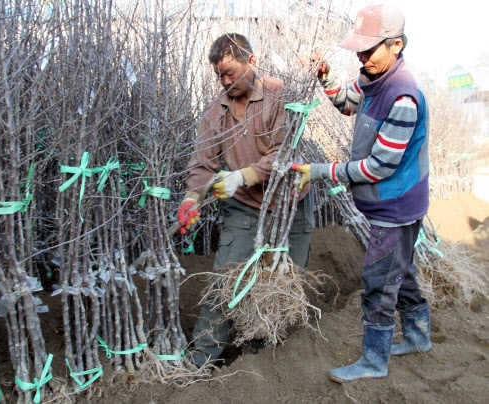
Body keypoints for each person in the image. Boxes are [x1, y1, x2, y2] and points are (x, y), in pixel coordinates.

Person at [292, 4, 432, 383]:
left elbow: (378, 167)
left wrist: (320, 171)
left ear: (397, 45)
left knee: (377, 282)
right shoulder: (374, 79)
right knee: (399, 272)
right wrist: (325, 76)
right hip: (392, 202)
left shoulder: (402, 97)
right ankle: (419, 338)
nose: (361, 57)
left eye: (369, 50)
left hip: (396, 205)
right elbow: (346, 103)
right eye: (359, 49)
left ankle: (373, 360)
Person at [178, 33, 315, 368]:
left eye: (230, 72)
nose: (225, 82)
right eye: (219, 75)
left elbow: (284, 153)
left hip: (290, 203)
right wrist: (191, 199)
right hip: (244, 205)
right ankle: (201, 357)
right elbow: (202, 163)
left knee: (287, 279)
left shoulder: (278, 96)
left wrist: (241, 175)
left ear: (251, 62)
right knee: (226, 277)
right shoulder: (215, 112)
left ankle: (273, 352)